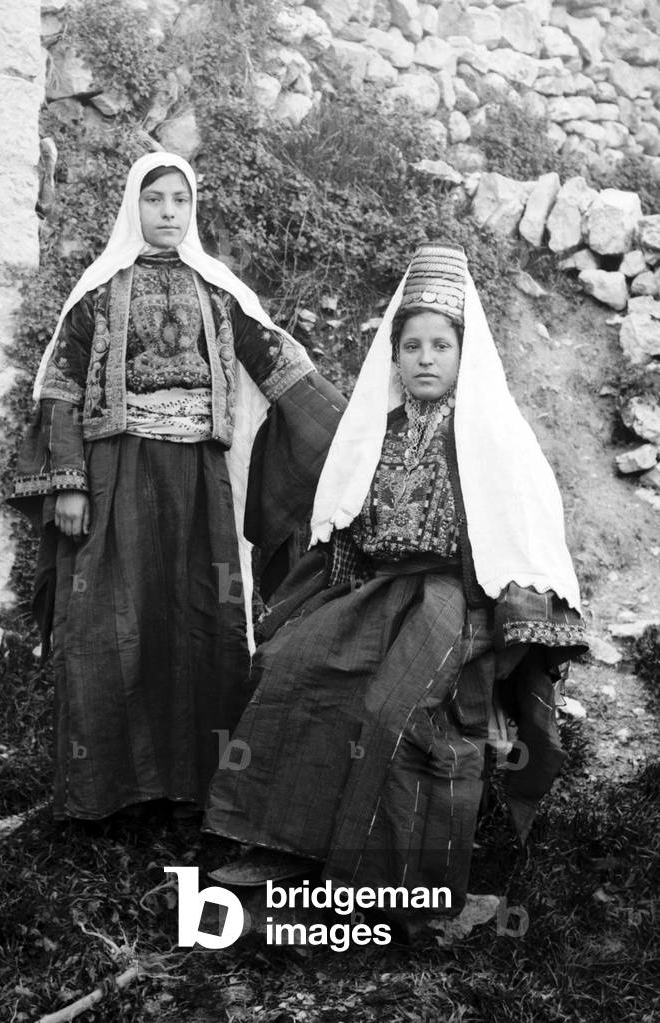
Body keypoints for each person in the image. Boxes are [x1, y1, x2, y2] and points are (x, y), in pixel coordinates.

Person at [204, 243, 587, 916]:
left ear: (464, 354)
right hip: (381, 586)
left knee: (394, 708)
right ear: (394, 355)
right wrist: (323, 601)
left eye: (441, 344)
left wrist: (510, 630)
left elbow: (523, 539)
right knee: (291, 664)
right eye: (411, 346)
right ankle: (280, 840)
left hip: (458, 598)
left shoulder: (493, 436)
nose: (426, 358)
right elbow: (345, 520)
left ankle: (394, 881)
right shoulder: (373, 433)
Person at [10, 151, 345, 822]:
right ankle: (105, 790)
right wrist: (69, 483)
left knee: (202, 621)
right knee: (110, 622)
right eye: (155, 198)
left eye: (180, 201)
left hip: (198, 482)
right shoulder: (99, 294)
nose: (168, 212)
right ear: (133, 206)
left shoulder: (217, 293)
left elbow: (279, 366)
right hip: (116, 475)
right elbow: (61, 391)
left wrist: (355, 435)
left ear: (193, 210)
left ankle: (197, 786)